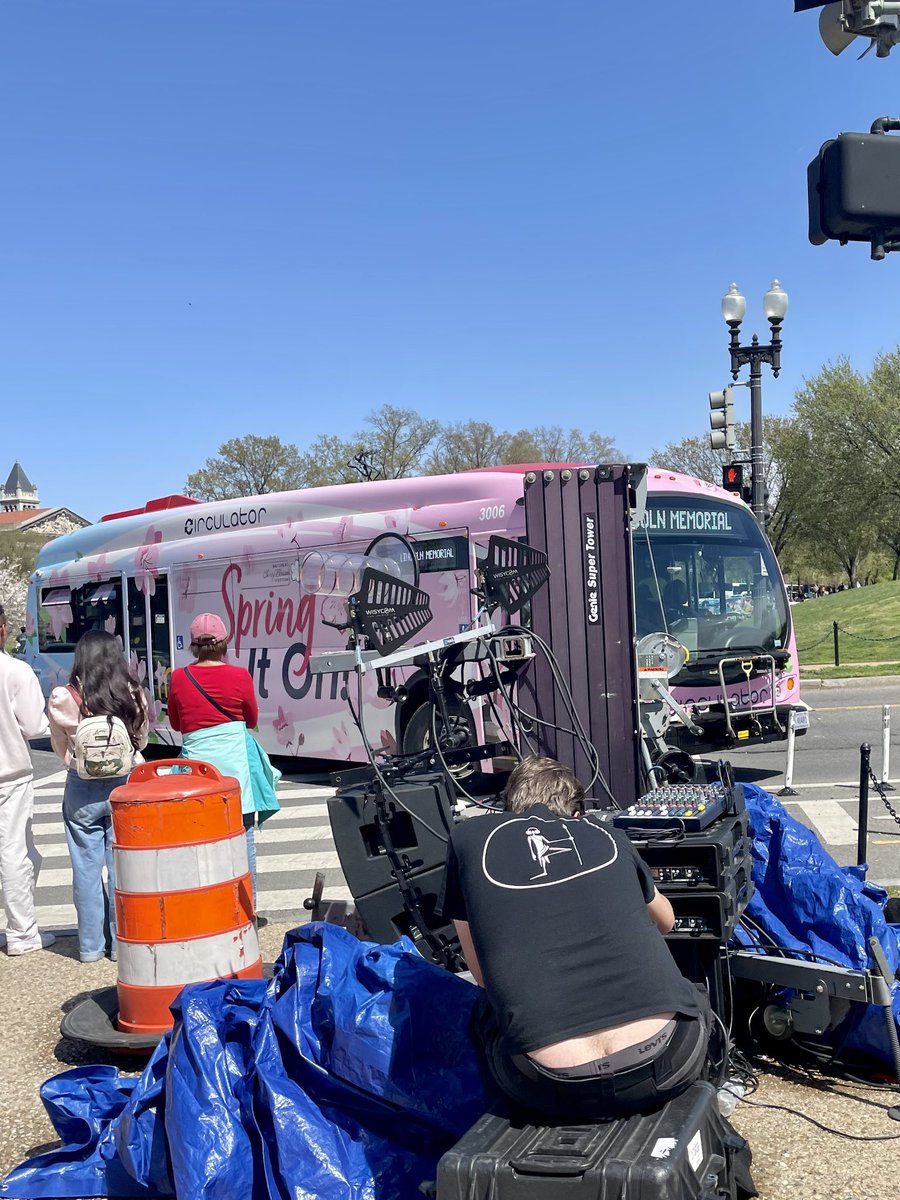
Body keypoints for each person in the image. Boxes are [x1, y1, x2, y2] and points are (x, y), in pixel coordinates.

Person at [439, 756, 712, 1122]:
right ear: (578, 812)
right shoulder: (608, 835)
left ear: (509, 808)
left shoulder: (468, 840)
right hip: (666, 1062)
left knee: (483, 1015)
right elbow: (667, 921)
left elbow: (484, 978)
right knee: (693, 993)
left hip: (549, 1087)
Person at [166, 613, 279, 911]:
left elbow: (177, 724)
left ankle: (207, 909)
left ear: (193, 646)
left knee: (200, 841)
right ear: (224, 643)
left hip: (197, 774)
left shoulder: (178, 677)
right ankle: (246, 910)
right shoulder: (239, 676)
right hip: (236, 771)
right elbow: (251, 720)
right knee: (244, 840)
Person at [48, 630, 148, 962]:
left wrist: (77, 764)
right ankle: (122, 945)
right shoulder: (131, 692)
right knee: (124, 866)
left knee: (86, 869)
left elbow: (60, 748)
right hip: (126, 785)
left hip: (81, 787)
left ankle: (91, 947)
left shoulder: (65, 697)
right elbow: (142, 742)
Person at [0, 602, 55, 956]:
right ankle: (21, 933)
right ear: (3, 628)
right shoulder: (16, 671)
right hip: (10, 774)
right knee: (15, 852)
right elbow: (35, 726)